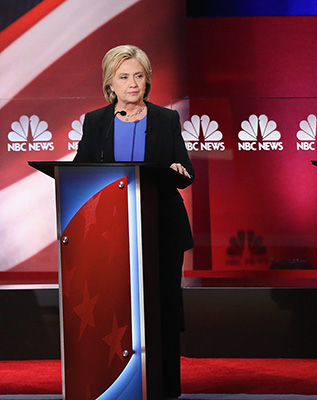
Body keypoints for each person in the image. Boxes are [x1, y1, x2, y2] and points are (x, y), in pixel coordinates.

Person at [74, 44, 193, 400]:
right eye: (124, 77)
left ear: (148, 80)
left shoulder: (165, 119)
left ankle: (165, 387)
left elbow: (185, 172)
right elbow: (80, 171)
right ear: (110, 83)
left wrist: (176, 170)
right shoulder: (96, 122)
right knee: (113, 308)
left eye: (139, 76)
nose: (132, 84)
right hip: (111, 233)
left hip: (161, 231)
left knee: (163, 307)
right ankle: (111, 383)